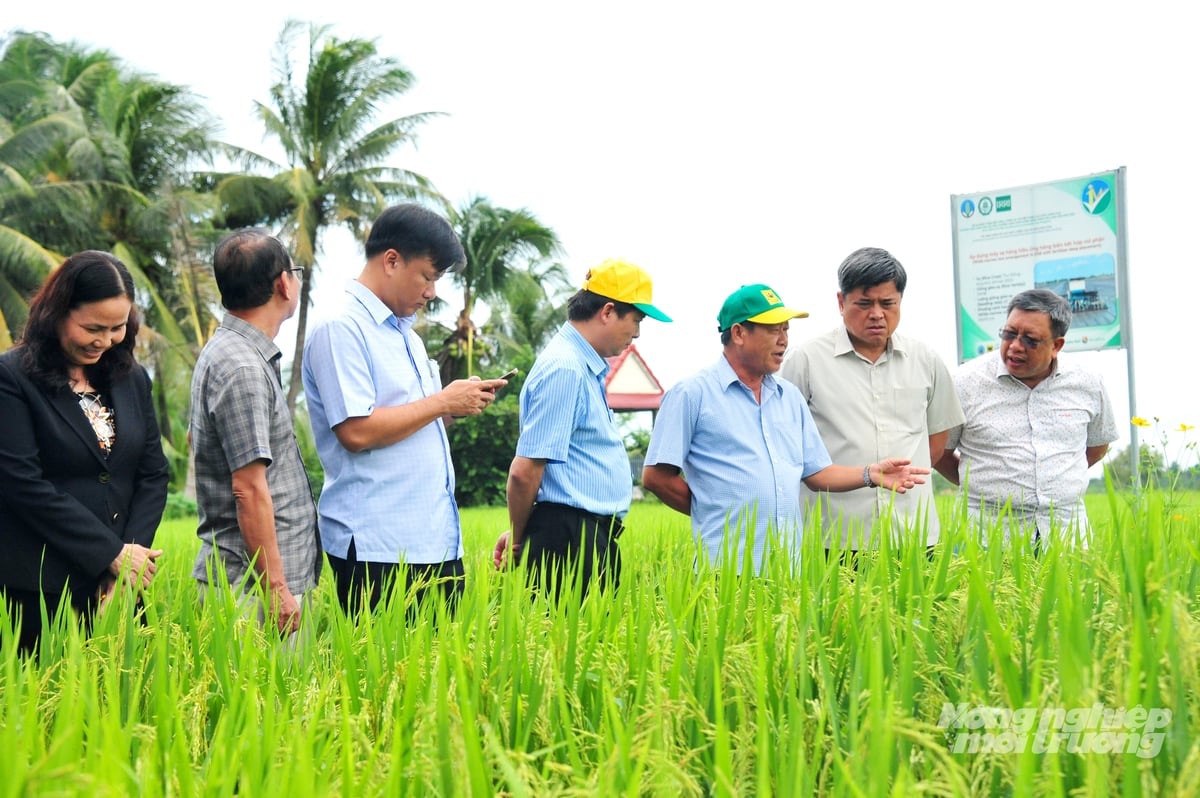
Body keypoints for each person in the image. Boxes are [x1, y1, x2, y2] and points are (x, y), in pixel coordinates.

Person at [302, 204, 508, 615]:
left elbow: (414, 418)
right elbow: (357, 431)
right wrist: (442, 401)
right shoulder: (342, 329)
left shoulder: (407, 337)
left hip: (434, 539)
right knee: (383, 674)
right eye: (428, 277)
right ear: (392, 260)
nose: (432, 292)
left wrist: (454, 406)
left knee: (443, 673)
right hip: (380, 546)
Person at [641, 283, 929, 574]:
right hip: (724, 570)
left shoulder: (789, 397)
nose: (783, 340)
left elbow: (816, 473)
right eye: (773, 330)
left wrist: (870, 474)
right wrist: (710, 510)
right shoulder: (692, 394)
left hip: (788, 570)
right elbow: (656, 477)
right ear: (739, 333)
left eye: (786, 330)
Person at [0, 251, 169, 654]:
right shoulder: (12, 377)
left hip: (118, 591)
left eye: (117, 328)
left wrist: (128, 562)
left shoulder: (131, 378)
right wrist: (109, 554)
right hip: (40, 589)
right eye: (92, 327)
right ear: (56, 314)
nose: (104, 341)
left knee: (126, 705)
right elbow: (22, 483)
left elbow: (151, 474)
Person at [492, 259, 671, 597]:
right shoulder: (566, 369)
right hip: (569, 539)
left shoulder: (582, 367)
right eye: (636, 320)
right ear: (607, 312)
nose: (636, 334)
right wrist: (519, 538)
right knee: (569, 645)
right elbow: (525, 471)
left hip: (585, 536)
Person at [779, 247, 963, 557]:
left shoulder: (926, 360)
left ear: (900, 302)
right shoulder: (806, 361)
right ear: (841, 302)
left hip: (912, 533)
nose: (877, 313)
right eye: (864, 304)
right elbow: (788, 445)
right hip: (832, 536)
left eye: (887, 303)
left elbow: (936, 443)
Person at [190, 230, 321, 635]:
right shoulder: (243, 366)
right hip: (252, 588)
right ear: (284, 282)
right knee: (272, 696)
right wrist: (277, 587)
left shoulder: (232, 351)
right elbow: (248, 488)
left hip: (255, 580)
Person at [934, 288, 1118, 542]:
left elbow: (1097, 446)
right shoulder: (965, 383)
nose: (1015, 347)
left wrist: (1053, 480)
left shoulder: (1088, 383)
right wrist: (981, 487)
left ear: (1057, 345)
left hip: (1066, 535)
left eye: (1030, 339)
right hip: (987, 536)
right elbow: (939, 452)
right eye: (1009, 334)